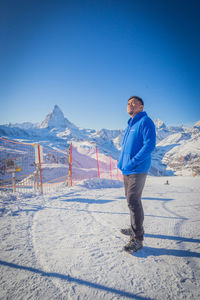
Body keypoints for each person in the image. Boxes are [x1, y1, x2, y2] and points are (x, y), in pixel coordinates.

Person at [117, 96, 156, 253]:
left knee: (133, 201)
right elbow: (127, 147)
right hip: (127, 169)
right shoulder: (130, 124)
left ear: (141, 106)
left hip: (138, 169)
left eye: (134, 103)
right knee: (130, 200)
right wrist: (121, 163)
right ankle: (134, 228)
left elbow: (149, 146)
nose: (130, 105)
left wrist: (132, 162)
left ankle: (137, 238)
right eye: (128, 103)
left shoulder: (145, 121)